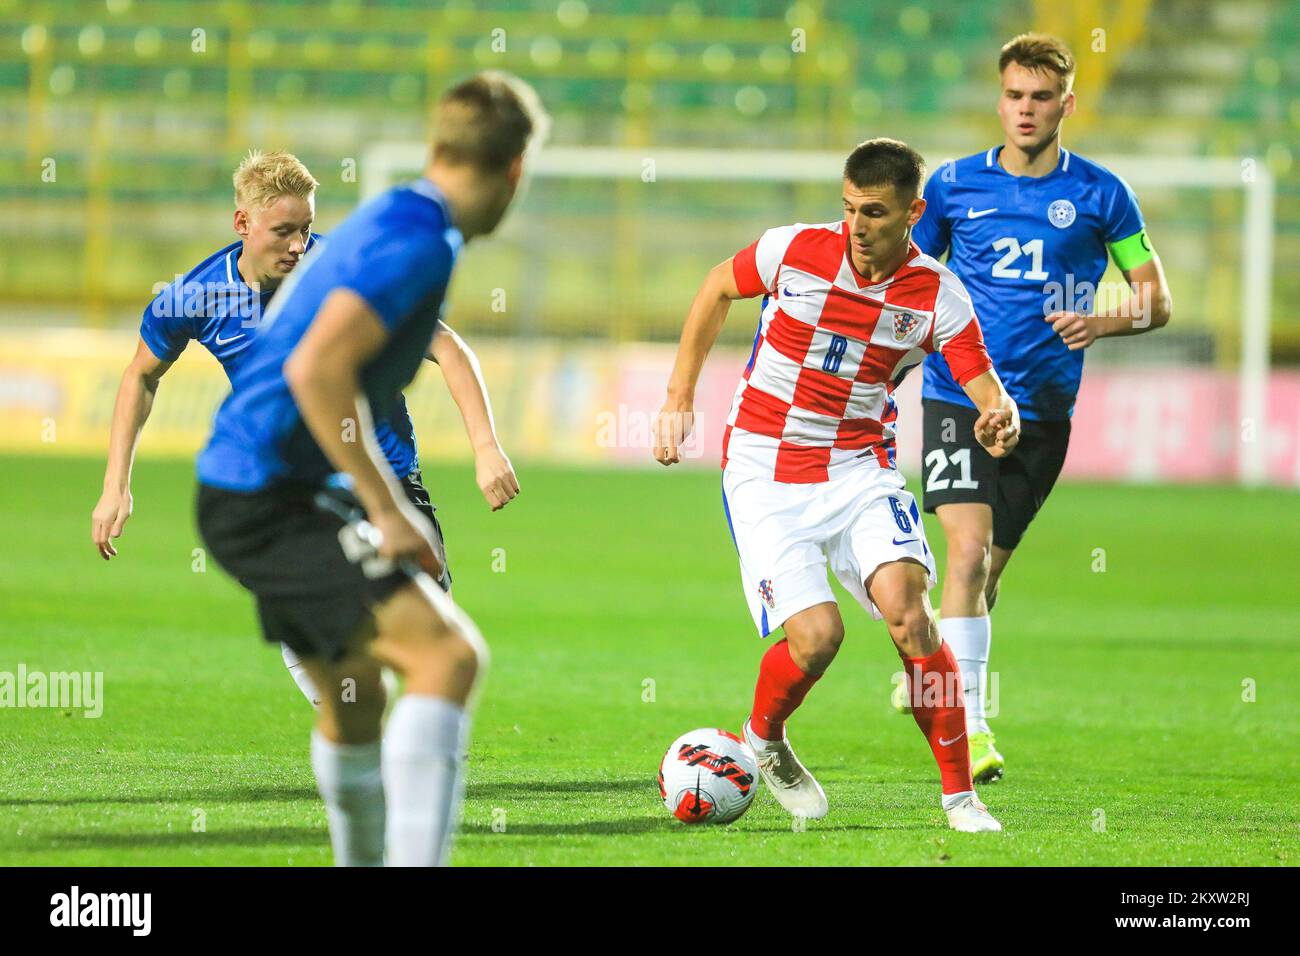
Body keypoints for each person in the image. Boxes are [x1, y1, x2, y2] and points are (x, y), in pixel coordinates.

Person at [194, 72, 547, 865]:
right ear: (516, 170)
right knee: (448, 656)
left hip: (247, 486)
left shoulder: (396, 215)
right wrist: (386, 508)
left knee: (356, 700)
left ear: (436, 148)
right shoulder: (421, 243)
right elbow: (318, 371)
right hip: (269, 494)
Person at [655, 138, 1019, 832]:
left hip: (859, 468)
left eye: (875, 212)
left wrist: (998, 417)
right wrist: (678, 397)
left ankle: (961, 799)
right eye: (848, 207)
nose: (856, 225)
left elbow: (981, 379)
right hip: (765, 467)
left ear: (913, 212)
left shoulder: (937, 294)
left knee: (911, 615)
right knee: (818, 638)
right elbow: (715, 287)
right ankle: (763, 738)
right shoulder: (792, 251)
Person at [91, 149, 519, 707]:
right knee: (343, 656)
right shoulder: (196, 294)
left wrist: (485, 447)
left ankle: (397, 752)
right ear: (242, 223)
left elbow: (450, 349)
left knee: (430, 628)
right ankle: (369, 744)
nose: (298, 245)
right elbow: (140, 375)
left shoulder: (341, 271)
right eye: (284, 231)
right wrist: (115, 484)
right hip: (292, 484)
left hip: (385, 469)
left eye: (307, 229)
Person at [903, 33, 1173, 782]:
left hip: (1046, 411)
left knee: (983, 575)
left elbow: (1158, 298)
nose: (1026, 109)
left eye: (1042, 97)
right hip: (958, 397)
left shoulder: (1101, 194)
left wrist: (1105, 319)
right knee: (962, 553)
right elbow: (910, 280)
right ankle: (973, 730)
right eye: (1015, 96)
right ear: (1000, 99)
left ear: (1067, 104)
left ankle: (928, 664)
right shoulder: (953, 187)